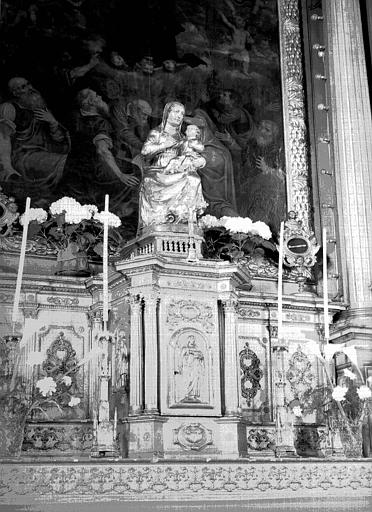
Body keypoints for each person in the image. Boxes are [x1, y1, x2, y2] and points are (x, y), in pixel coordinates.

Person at [63, 88, 139, 213]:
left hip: (72, 166)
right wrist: (120, 175)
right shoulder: (100, 123)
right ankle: (119, 210)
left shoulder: (76, 117)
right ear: (91, 103)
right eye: (97, 96)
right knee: (135, 171)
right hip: (94, 168)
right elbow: (102, 151)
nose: (100, 98)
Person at [138, 102, 207, 228]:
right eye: (176, 112)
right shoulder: (157, 133)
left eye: (182, 113)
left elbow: (190, 153)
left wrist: (196, 160)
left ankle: (186, 220)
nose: (179, 115)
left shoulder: (183, 137)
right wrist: (165, 145)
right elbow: (145, 152)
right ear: (167, 113)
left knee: (193, 179)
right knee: (149, 182)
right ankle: (158, 221)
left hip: (178, 168)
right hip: (158, 170)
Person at [0, 77, 70, 193]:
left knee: (69, 161)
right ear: (15, 93)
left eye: (28, 84)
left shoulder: (40, 108)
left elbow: (58, 140)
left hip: (44, 153)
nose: (30, 88)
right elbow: (3, 138)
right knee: (63, 163)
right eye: (23, 87)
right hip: (22, 157)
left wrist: (53, 123)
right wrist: (8, 168)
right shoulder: (9, 108)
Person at [186, 109, 238, 218]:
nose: (193, 134)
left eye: (197, 130)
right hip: (193, 204)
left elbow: (210, 159)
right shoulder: (188, 146)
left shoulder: (215, 150)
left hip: (215, 204)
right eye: (189, 130)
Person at [176, 335, 205, 403]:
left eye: (194, 339)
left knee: (195, 380)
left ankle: (193, 395)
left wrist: (199, 356)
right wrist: (179, 367)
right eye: (192, 339)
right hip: (187, 367)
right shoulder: (185, 348)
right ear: (188, 340)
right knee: (188, 380)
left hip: (195, 366)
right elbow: (180, 358)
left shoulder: (197, 348)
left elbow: (201, 357)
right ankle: (187, 395)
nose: (193, 340)